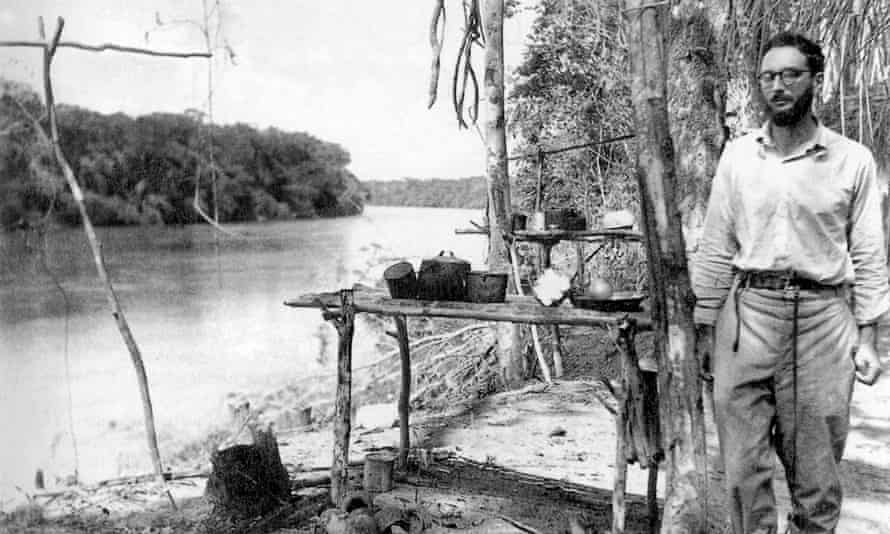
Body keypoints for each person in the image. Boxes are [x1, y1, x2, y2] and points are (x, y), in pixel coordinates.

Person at [693, 32, 888, 534]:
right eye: (767, 77)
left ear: (815, 81)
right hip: (747, 314)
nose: (777, 87)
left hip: (823, 321)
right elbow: (716, 244)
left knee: (817, 476)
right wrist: (705, 327)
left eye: (790, 75)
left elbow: (868, 253)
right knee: (742, 471)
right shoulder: (738, 157)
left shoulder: (852, 160)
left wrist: (869, 337)